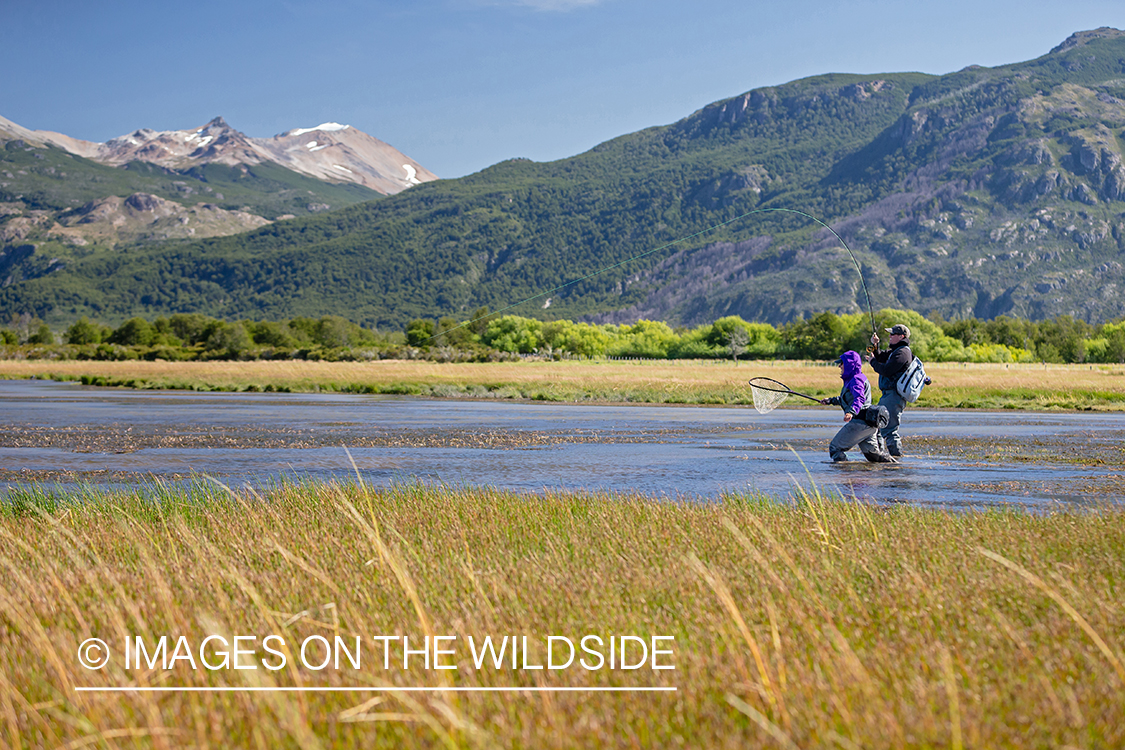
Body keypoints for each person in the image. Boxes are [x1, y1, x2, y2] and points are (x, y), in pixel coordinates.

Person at [820, 350, 894, 463]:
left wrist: (851, 412)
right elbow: (847, 399)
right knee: (874, 456)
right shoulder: (854, 378)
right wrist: (830, 401)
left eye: (842, 363)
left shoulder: (856, 380)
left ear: (849, 364)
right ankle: (895, 468)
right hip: (869, 424)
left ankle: (845, 475)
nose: (839, 366)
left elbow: (859, 399)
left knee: (835, 448)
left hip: (860, 423)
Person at [868, 323, 913, 457]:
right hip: (888, 395)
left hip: (894, 396)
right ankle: (880, 456)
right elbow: (881, 356)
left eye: (892, 334)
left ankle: (897, 460)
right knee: (879, 427)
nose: (889, 336)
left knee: (889, 430)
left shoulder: (902, 353)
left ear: (901, 336)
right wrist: (875, 345)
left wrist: (872, 362)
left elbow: (886, 370)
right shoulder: (896, 351)